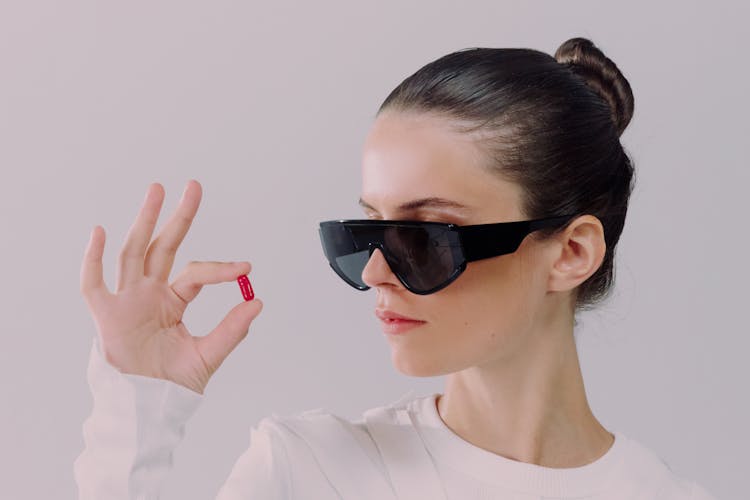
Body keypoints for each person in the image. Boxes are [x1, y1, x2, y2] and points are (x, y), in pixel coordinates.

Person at [74, 37, 718, 499]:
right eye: (363, 231)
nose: (377, 273)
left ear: (572, 252)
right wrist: (136, 412)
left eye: (424, 235)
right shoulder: (312, 472)